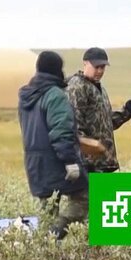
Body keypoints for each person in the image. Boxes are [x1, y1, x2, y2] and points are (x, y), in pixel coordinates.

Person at [18, 51, 88, 239]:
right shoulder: (54, 95)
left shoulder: (27, 96)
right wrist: (70, 161)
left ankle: (45, 253)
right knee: (84, 197)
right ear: (58, 69)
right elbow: (61, 131)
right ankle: (54, 235)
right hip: (55, 160)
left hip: (34, 163)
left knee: (48, 209)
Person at [66, 47, 131, 173]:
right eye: (96, 67)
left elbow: (106, 123)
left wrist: (126, 112)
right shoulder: (77, 87)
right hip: (90, 166)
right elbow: (75, 127)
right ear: (85, 63)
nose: (99, 71)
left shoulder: (99, 88)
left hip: (105, 163)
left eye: (103, 67)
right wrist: (86, 160)